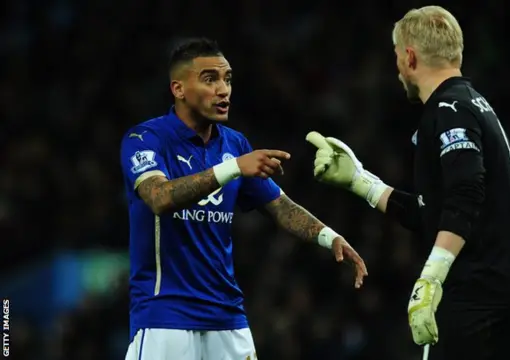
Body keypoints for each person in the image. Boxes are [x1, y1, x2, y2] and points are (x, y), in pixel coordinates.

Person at [306, 6, 510, 360]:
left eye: (397, 57)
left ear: (409, 57)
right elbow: (439, 213)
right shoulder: (475, 104)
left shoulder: (448, 108)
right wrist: (360, 181)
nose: (397, 70)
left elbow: (465, 194)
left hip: (472, 298)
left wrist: (431, 279)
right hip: (505, 294)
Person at [120, 37, 368, 360]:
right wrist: (232, 168)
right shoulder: (145, 139)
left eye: (228, 79)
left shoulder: (234, 144)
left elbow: (279, 207)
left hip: (228, 319)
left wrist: (329, 236)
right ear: (178, 89)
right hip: (165, 317)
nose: (223, 89)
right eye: (210, 79)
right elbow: (159, 197)